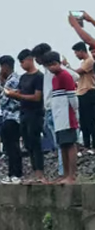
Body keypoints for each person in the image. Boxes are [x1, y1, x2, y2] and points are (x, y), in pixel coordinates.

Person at [6, 49, 46, 183]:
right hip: (23, 113)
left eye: (23, 62)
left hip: (35, 114)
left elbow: (37, 97)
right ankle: (35, 172)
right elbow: (21, 93)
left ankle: (40, 173)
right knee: (28, 144)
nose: (22, 65)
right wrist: (13, 94)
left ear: (30, 59)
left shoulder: (39, 76)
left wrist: (17, 95)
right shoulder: (23, 77)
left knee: (35, 143)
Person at [43, 51, 79, 184]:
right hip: (58, 116)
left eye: (53, 65)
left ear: (58, 63)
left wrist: (75, 112)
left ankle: (72, 175)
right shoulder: (54, 78)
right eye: (48, 66)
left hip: (67, 115)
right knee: (62, 145)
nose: (51, 68)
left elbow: (72, 97)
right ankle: (65, 173)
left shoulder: (65, 75)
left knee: (70, 144)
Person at [32, 43, 64, 176]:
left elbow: (75, 77)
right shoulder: (46, 71)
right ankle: (62, 170)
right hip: (49, 109)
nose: (36, 61)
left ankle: (63, 171)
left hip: (55, 108)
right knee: (56, 142)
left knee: (61, 143)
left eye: (36, 58)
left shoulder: (56, 70)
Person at [64, 42, 95, 154]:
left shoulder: (89, 61)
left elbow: (77, 73)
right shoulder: (84, 62)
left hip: (89, 92)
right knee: (84, 121)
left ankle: (92, 145)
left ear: (81, 51)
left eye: (76, 52)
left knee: (90, 120)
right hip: (81, 93)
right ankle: (87, 145)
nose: (76, 55)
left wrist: (67, 66)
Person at [0, 55, 22, 183]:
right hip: (9, 117)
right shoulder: (9, 80)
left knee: (12, 146)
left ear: (5, 67)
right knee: (9, 146)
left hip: (13, 117)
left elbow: (3, 100)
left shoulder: (13, 81)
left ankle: (16, 173)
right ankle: (12, 173)